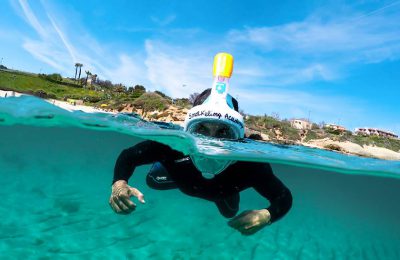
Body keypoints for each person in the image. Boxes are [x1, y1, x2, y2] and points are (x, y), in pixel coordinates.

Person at [109, 53, 292, 235]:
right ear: (187, 129)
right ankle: (165, 164)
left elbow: (283, 198)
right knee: (153, 182)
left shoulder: (250, 164)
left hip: (222, 192)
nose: (210, 144)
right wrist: (119, 184)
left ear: (239, 137)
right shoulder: (170, 146)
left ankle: (179, 168)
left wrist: (267, 215)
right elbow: (129, 156)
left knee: (230, 212)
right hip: (186, 177)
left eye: (223, 132)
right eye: (201, 129)